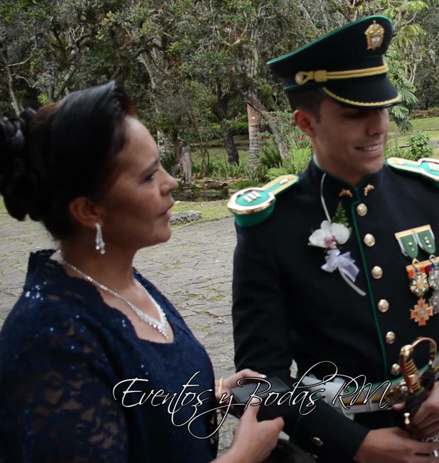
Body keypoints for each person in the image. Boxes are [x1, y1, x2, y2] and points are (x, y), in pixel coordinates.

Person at [229, 16, 439, 463]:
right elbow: (261, 377)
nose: (377, 126)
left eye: (381, 108)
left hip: (436, 439)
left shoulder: (423, 197)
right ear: (306, 123)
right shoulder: (272, 225)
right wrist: (354, 444)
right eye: (354, 114)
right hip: (338, 446)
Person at [0, 81, 283, 462]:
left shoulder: (124, 286)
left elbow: (128, 398)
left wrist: (211, 393)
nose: (171, 183)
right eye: (148, 177)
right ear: (89, 211)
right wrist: (241, 457)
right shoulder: (51, 341)